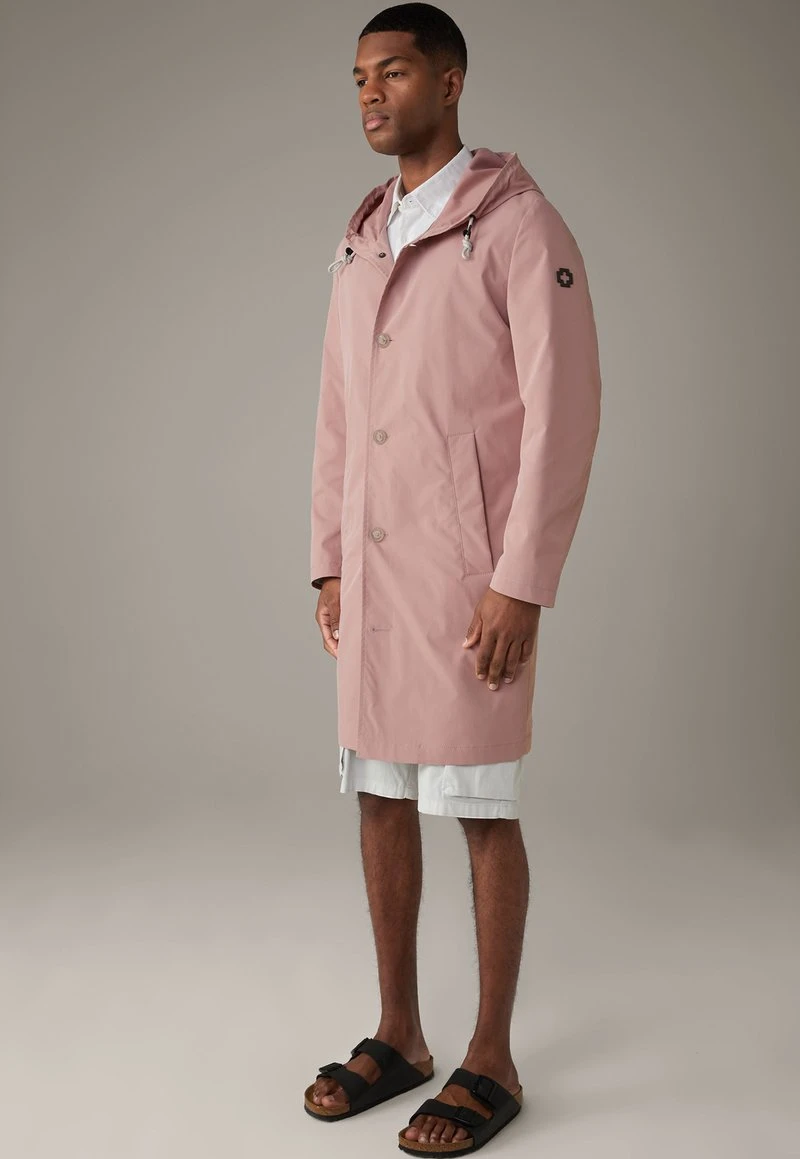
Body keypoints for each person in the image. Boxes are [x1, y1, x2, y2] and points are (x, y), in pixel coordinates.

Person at [305, 4, 602, 1153]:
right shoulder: (360, 237)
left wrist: (521, 580)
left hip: (471, 575)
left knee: (478, 805)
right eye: (357, 78)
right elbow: (337, 412)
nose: (370, 95)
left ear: (449, 79)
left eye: (392, 72)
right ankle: (399, 1033)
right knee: (380, 793)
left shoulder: (517, 225)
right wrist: (329, 560)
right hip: (374, 577)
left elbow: (563, 412)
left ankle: (490, 1056)